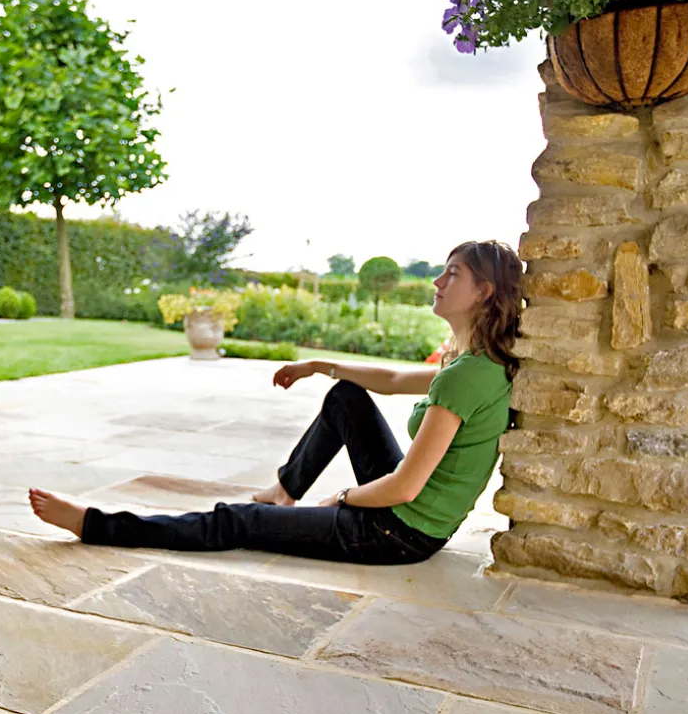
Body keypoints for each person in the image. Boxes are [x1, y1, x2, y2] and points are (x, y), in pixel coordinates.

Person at [28, 239, 523, 566]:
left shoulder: (465, 378)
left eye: (452, 274)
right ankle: (286, 489)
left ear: (483, 291)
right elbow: (392, 379)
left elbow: (405, 486)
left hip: (396, 532)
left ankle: (95, 524)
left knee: (237, 521)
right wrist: (320, 366)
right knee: (346, 396)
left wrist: (344, 498)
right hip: (420, 523)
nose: (437, 282)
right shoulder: (478, 364)